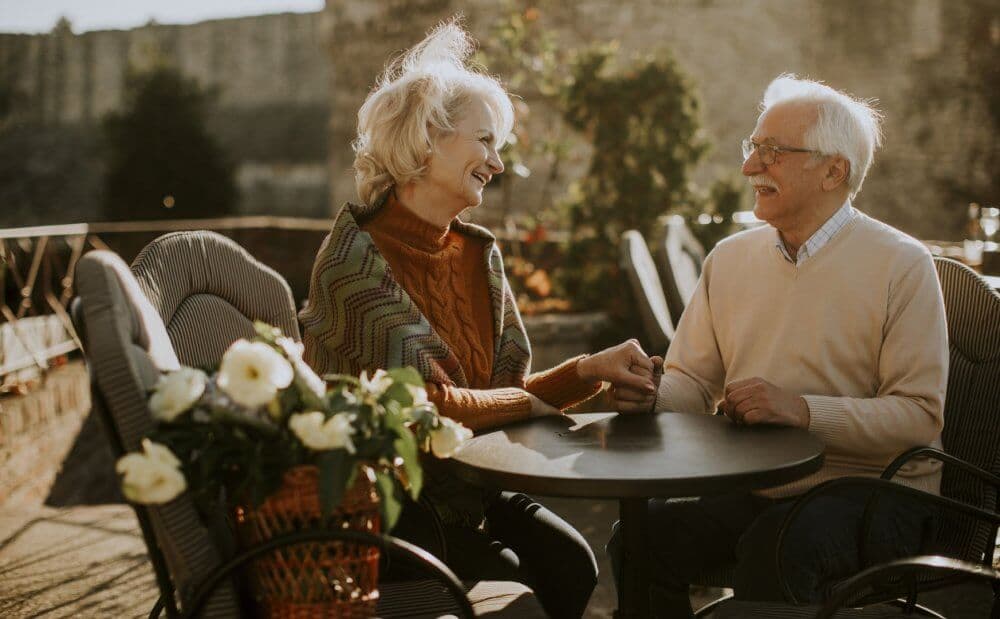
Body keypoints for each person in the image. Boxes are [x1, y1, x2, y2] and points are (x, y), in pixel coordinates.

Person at [299, 20, 656, 618]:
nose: (496, 161)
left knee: (572, 563)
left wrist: (590, 370)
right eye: (485, 141)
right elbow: (428, 410)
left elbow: (498, 398)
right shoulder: (352, 263)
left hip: (472, 486)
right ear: (426, 138)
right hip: (388, 506)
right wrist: (539, 402)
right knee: (519, 583)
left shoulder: (474, 252)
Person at [607, 74, 948, 616]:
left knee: (776, 549)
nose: (749, 167)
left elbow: (919, 418)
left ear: (834, 170)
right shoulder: (730, 258)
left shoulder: (903, 265)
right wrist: (651, 394)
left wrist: (802, 411)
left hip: (878, 492)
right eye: (753, 147)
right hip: (760, 484)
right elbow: (692, 381)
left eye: (773, 152)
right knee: (640, 539)